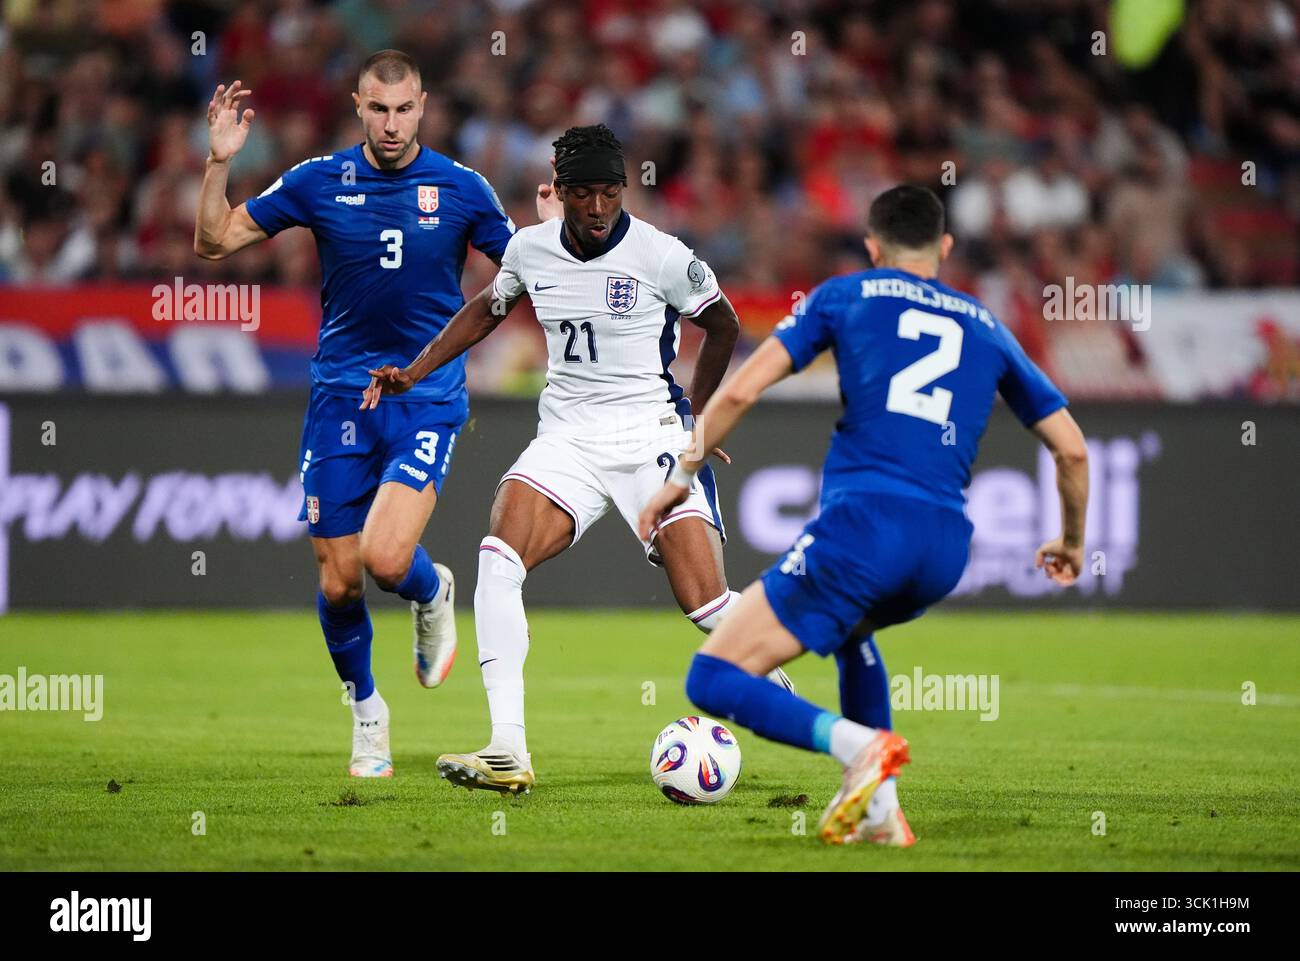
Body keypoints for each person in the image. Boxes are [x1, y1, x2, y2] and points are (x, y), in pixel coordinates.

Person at [638, 184, 1090, 845]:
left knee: (712, 675)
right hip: (943, 547)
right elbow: (1072, 451)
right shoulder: (986, 323)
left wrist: (680, 474)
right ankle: (881, 817)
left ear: (872, 246)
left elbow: (740, 386)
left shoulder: (844, 296)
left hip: (864, 527)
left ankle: (856, 748)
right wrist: (1073, 543)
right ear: (944, 247)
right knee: (852, 635)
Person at [364, 124, 789, 794]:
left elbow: (725, 322)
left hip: (648, 435)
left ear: (624, 191)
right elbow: (486, 309)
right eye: (583, 194)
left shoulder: (661, 254)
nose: (596, 207)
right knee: (498, 556)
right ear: (558, 193)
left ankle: (765, 647)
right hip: (566, 437)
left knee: (704, 604)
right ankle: (508, 748)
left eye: (609, 193)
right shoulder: (531, 249)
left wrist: (699, 421)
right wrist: (415, 372)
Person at [194, 49, 561, 778]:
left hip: (423, 393)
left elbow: (528, 279)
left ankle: (432, 587)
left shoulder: (461, 188)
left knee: (385, 558)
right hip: (338, 396)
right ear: (358, 108)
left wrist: (549, 236)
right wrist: (217, 162)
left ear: (422, 107)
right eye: (377, 110)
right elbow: (213, 240)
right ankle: (367, 710)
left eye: (403, 110)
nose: (391, 125)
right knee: (338, 582)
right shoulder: (319, 180)